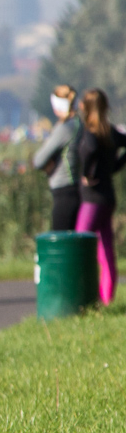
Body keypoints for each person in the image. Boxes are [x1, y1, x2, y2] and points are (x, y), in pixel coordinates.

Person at [74, 88, 125, 304]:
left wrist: (87, 173)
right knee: (106, 250)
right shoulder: (111, 132)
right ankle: (106, 298)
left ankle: (79, 294)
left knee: (80, 244)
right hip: (108, 197)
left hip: (92, 199)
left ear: (85, 107)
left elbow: (90, 149)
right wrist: (114, 166)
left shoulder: (90, 132)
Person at [33, 85, 81, 231]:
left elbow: (38, 160)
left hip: (64, 189)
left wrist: (48, 164)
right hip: (78, 187)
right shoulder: (79, 124)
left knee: (61, 242)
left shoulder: (64, 128)